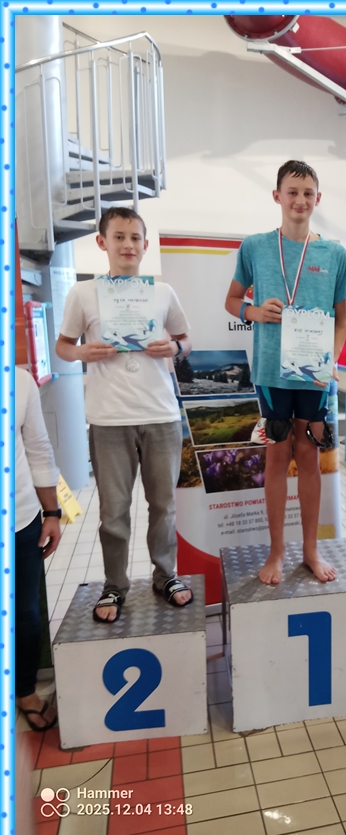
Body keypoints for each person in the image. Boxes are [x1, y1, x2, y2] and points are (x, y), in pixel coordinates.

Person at [55, 206, 193, 622]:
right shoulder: (83, 294)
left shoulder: (162, 292)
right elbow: (63, 345)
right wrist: (82, 352)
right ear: (102, 243)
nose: (128, 245)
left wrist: (174, 348)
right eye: (119, 237)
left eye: (135, 238)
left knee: (163, 506)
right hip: (108, 418)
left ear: (145, 244)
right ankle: (114, 585)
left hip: (161, 414)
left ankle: (165, 575)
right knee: (113, 512)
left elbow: (186, 340)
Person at [225, 160, 346, 585]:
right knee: (278, 456)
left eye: (308, 193)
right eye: (292, 192)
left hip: (314, 374)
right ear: (277, 196)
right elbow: (231, 301)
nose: (300, 200)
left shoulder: (334, 254)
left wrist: (332, 360)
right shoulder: (255, 247)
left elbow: (341, 321)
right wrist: (254, 311)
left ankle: (310, 550)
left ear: (318, 199)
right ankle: (277, 551)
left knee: (310, 457)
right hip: (270, 372)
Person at [15, 367, 61, 731]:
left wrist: (52, 512)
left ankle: (25, 690)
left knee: (26, 613)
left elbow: (38, 448)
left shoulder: (18, 380)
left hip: (21, 517)